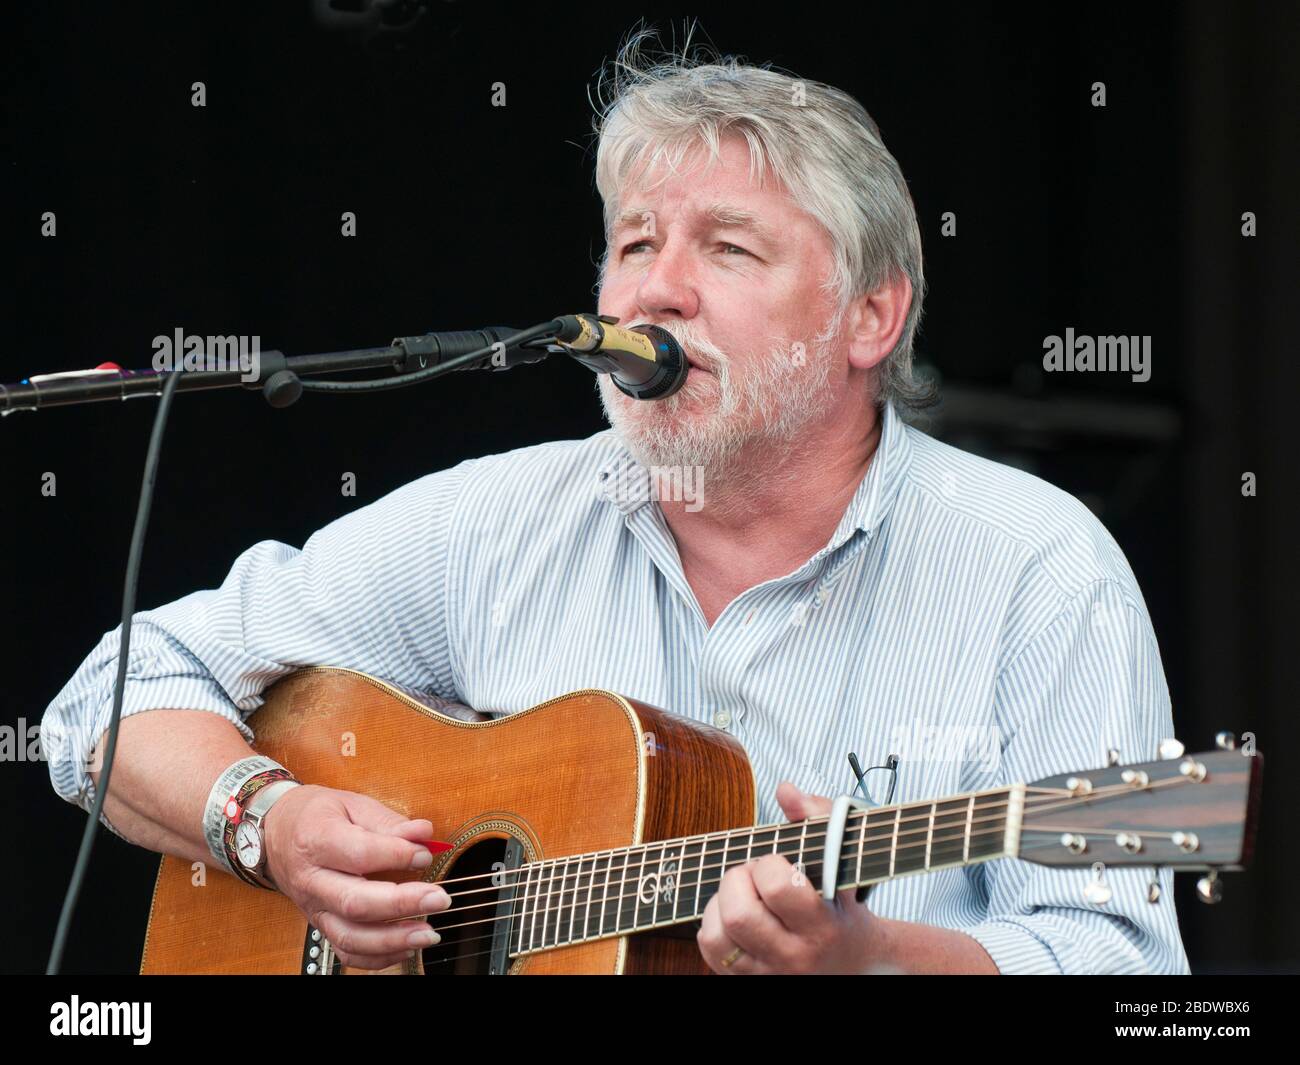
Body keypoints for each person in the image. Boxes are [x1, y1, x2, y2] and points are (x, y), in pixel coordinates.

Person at [42, 36, 1191, 974]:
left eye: (727, 249)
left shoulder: (1039, 566)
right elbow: (112, 692)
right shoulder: (494, 526)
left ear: (868, 319)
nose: (655, 287)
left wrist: (872, 961)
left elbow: (1122, 970)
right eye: (633, 242)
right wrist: (271, 825)